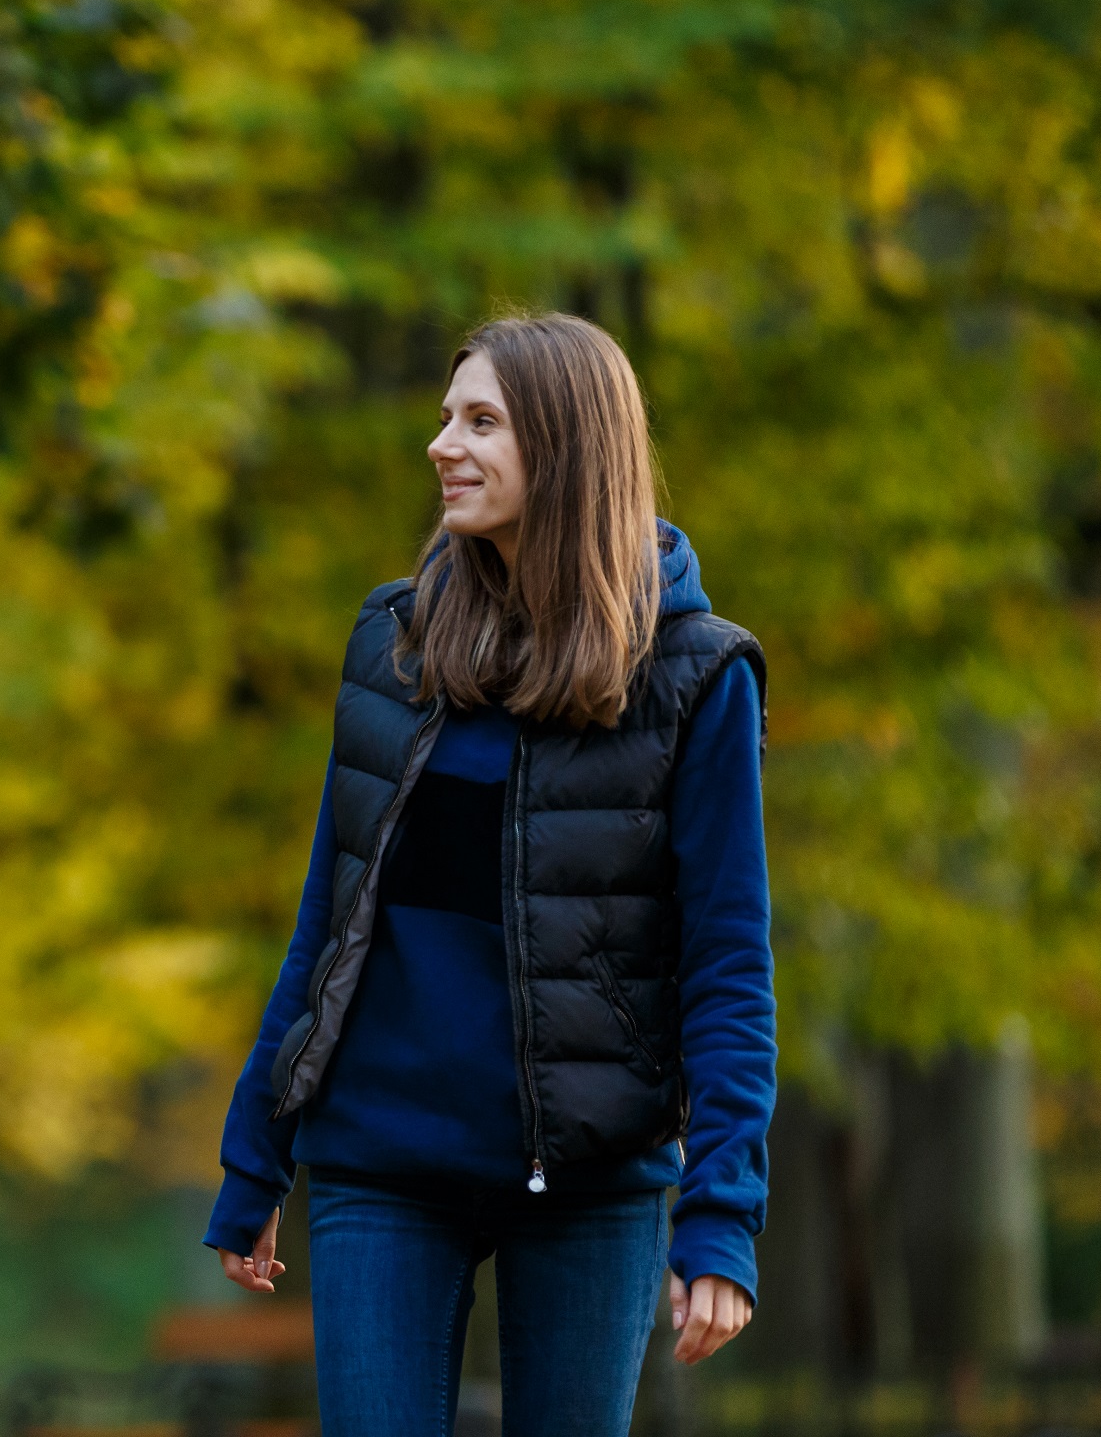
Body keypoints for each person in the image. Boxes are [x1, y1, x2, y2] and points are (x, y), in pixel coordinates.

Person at [206, 314, 776, 1435]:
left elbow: (727, 964)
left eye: (480, 422)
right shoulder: (395, 645)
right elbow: (331, 918)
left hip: (589, 1174)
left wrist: (722, 1213)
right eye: (444, 417)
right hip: (380, 1160)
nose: (442, 446)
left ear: (565, 447)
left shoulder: (695, 677)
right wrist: (256, 1151)